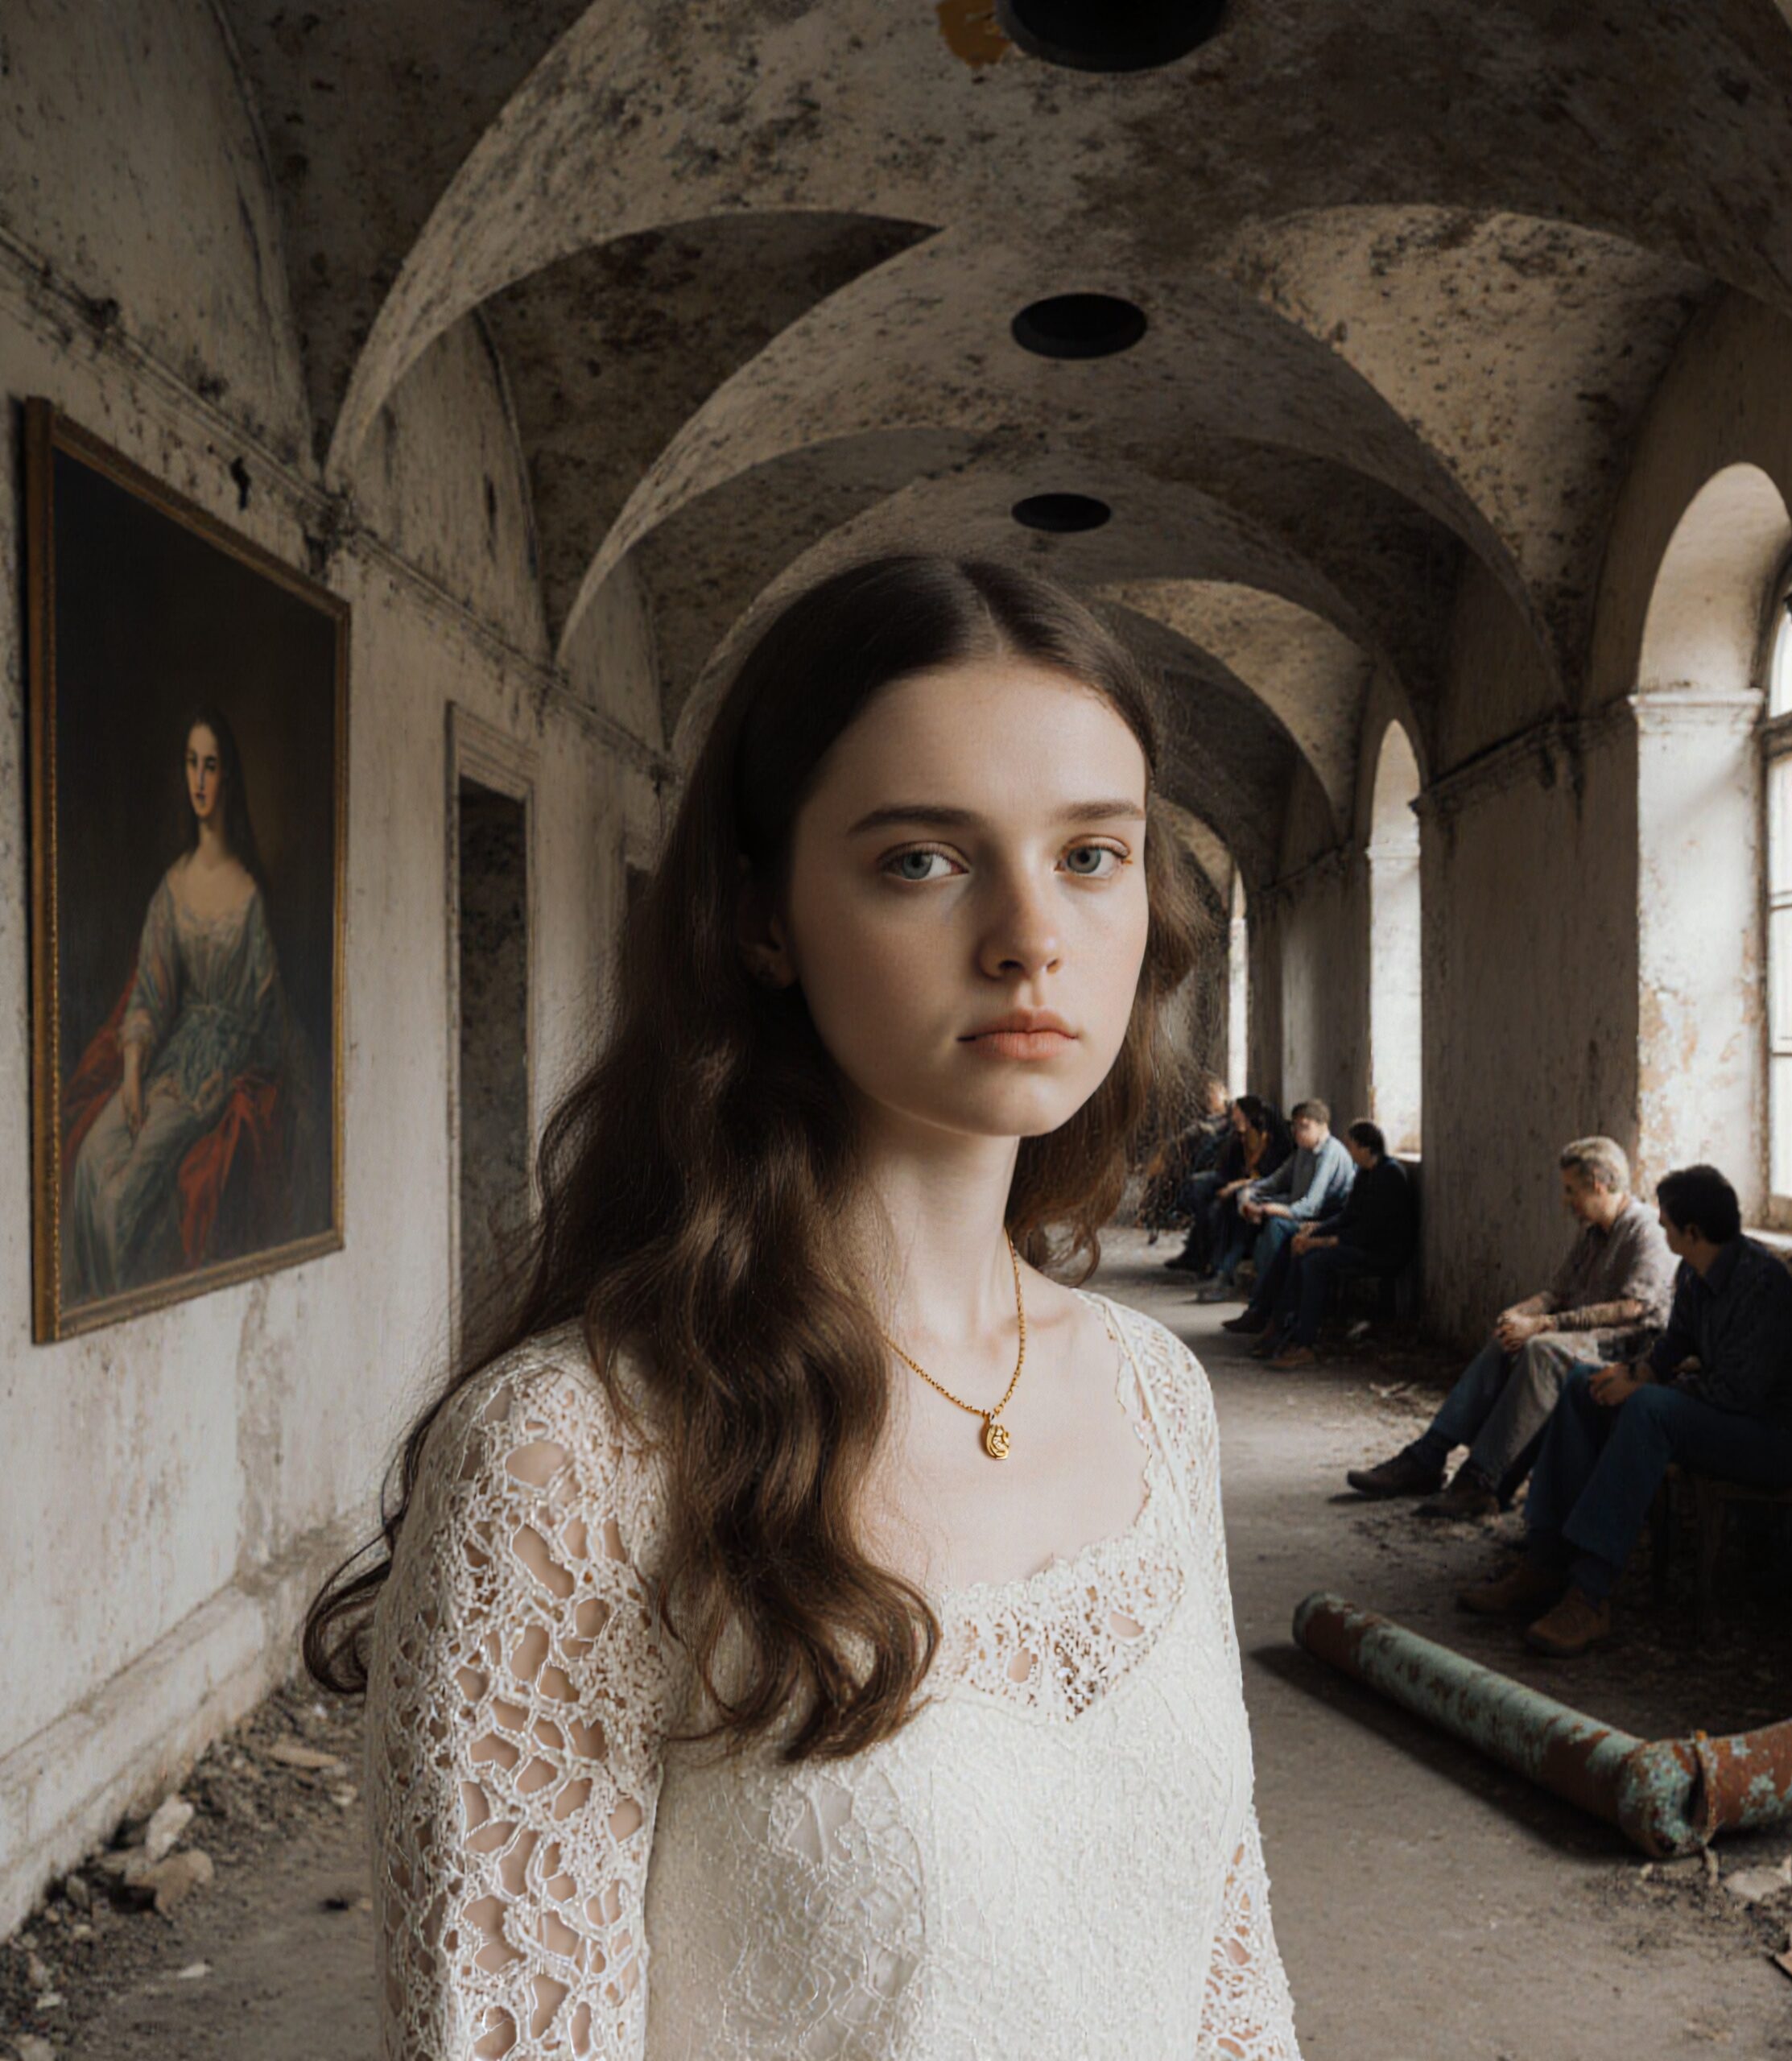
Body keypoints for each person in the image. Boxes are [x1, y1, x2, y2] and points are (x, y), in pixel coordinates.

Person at [303, 554, 1301, 2059]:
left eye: (1092, 854)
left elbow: (1228, 1977)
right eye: (924, 859)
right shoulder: (572, 1457)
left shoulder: (1154, 1392)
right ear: (764, 917)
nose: (1031, 934)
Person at [1458, 1163, 1792, 1658]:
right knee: (1583, 1385)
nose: (1659, 1225)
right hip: (1731, 1417)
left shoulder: (1761, 1286)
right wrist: (1635, 1373)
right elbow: (1674, 1344)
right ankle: (1545, 1560)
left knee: (1651, 1409)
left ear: (1693, 1232)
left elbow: (1737, 1394)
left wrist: (1646, 1389)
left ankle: (1590, 1594)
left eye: (1667, 1220)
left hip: (1779, 1439)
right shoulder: (1695, 1273)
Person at [62, 708, 294, 1299]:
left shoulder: (249, 896)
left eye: (210, 765)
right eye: (192, 763)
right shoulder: (173, 885)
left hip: (212, 1073)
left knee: (121, 1195)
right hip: (164, 1060)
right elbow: (151, 989)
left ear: (227, 776)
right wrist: (133, 1072)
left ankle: (115, 1316)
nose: (199, 779)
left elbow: (264, 1020)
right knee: (89, 1161)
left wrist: (226, 1070)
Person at [1345, 1137, 1672, 1518]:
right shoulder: (1593, 1233)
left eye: (1571, 1191)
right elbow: (1556, 1292)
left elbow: (1633, 1309)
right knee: (1508, 1340)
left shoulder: (1645, 1230)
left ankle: (1482, 1479)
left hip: (1628, 1345)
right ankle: (1427, 1457)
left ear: (1598, 1184)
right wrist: (1520, 1314)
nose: (1565, 1201)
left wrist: (1545, 1324)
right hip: (1584, 1336)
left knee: (1541, 1350)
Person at [1224, 1121, 1416, 1367]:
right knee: (1293, 1244)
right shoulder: (1365, 1173)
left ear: (1366, 1149)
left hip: (1382, 1251)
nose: (1349, 1151)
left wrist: (1320, 1242)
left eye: (1352, 1146)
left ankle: (1305, 1343)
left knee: (1314, 1262)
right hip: (1359, 1242)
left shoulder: (1390, 1175)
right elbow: (1346, 1216)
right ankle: (1277, 1321)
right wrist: (1313, 1231)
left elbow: (1371, 1232)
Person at [1195, 1099, 1353, 1304]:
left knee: (1275, 1225)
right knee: (1242, 1209)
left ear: (1322, 1126)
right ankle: (1224, 1276)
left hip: (1321, 1219)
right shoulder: (1303, 1150)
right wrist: (1251, 1192)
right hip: (1297, 1208)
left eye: (1304, 1127)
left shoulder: (1330, 1153)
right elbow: (1276, 1181)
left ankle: (1263, 1297)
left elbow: (1311, 1206)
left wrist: (1268, 1210)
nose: (1297, 1133)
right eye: (1295, 1127)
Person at [1166, 1093, 1291, 1276]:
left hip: (1258, 1188)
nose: (1233, 1116)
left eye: (1237, 1113)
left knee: (1219, 1209)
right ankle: (1195, 1253)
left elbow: (1268, 1177)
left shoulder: (1271, 1143)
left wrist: (1235, 1186)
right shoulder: (1237, 1137)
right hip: (1237, 1180)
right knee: (1198, 1186)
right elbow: (1228, 1167)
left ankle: (1218, 1268)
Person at [1141, 1074, 1229, 1240]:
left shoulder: (1227, 1120)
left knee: (1175, 1160)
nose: (1210, 1097)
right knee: (1171, 1161)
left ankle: (1165, 1209)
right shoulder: (1205, 1119)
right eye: (1209, 1093)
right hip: (1193, 1156)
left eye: (1215, 1092)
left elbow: (1208, 1132)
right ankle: (1155, 1208)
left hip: (1210, 1159)